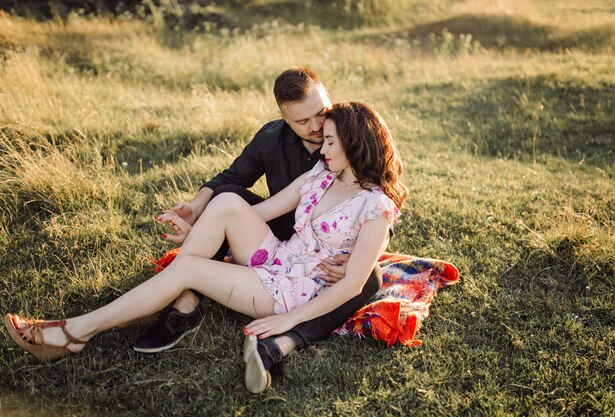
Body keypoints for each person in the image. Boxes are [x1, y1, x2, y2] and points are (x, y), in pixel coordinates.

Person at [5, 101, 408, 394]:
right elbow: (264, 210)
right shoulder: (322, 173)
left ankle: (76, 332)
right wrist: (198, 222)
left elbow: (354, 283)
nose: (323, 148)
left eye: (332, 142)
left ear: (356, 144)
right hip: (282, 258)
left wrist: (291, 320)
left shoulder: (376, 207)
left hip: (291, 292)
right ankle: (176, 295)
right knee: (229, 201)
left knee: (185, 269)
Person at [133, 67, 384, 378]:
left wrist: (353, 258)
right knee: (227, 193)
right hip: (278, 230)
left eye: (320, 113)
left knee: (370, 276)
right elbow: (230, 178)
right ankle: (185, 303)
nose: (317, 126)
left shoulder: (347, 132)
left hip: (329, 245)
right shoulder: (271, 138)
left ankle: (290, 338)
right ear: (283, 116)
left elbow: (375, 203)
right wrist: (196, 210)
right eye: (302, 121)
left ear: (328, 97)